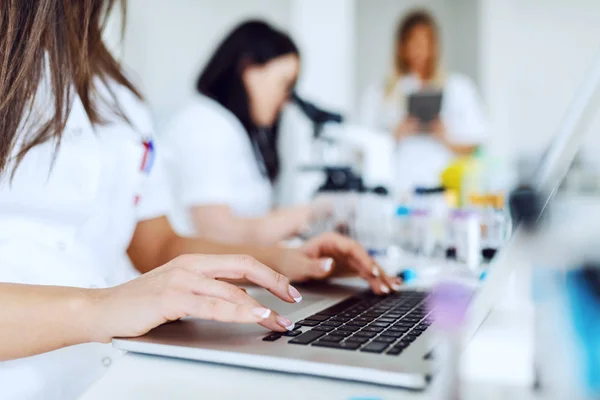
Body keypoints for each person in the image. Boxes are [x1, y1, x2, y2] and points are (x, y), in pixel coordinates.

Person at [0, 2, 400, 399]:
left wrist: (284, 263)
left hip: (108, 366)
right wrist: (102, 307)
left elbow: (157, 244)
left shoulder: (117, 95)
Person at [163, 21, 315, 245]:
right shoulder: (205, 123)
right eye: (285, 84)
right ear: (248, 69)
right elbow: (214, 231)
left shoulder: (236, 129)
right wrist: (305, 216)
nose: (286, 100)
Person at [359, 9, 487, 191]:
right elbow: (363, 150)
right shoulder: (381, 93)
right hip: (398, 186)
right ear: (401, 46)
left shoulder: (458, 87)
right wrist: (395, 135)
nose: (419, 50)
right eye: (413, 42)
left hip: (445, 186)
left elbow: (475, 146)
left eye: (425, 42)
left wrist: (444, 137)